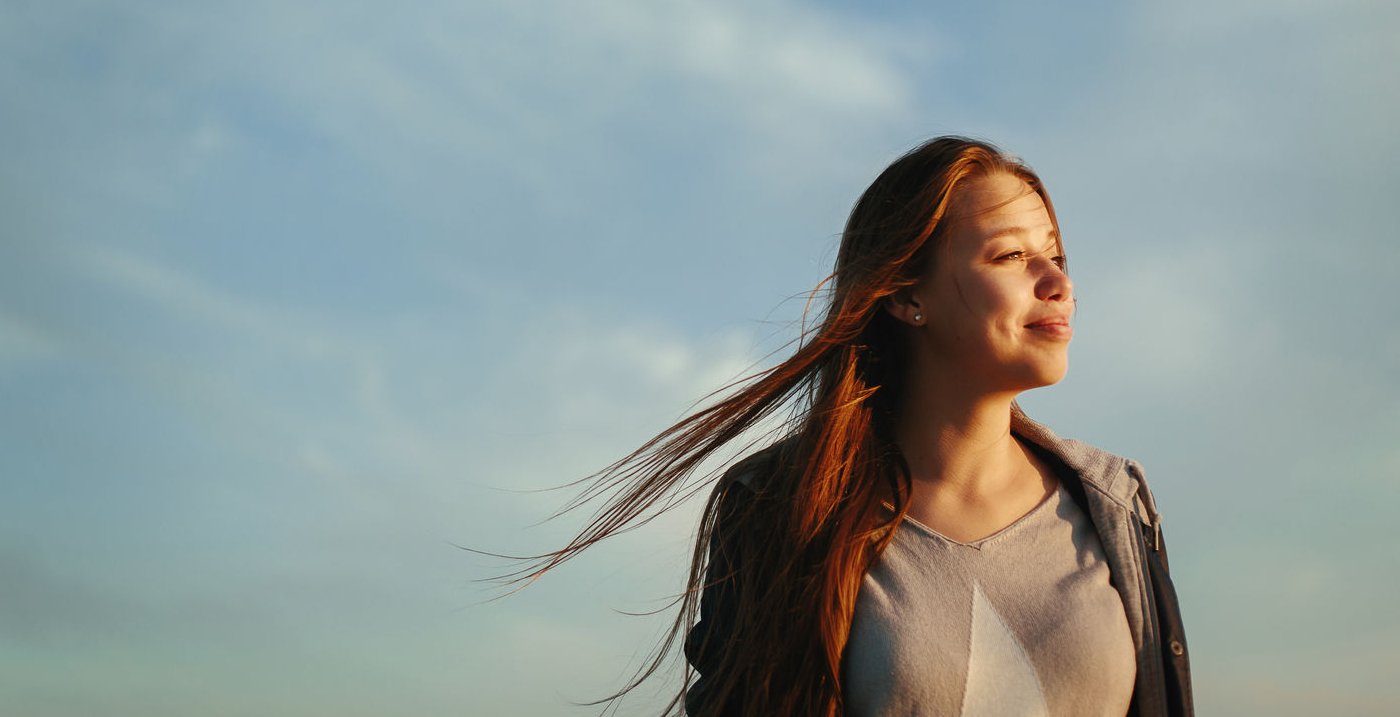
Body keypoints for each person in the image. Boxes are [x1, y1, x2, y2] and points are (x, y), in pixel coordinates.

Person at [516, 137, 1192, 716]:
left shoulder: (1115, 503)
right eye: (1010, 256)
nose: (1057, 283)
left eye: (1058, 257)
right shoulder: (783, 506)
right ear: (906, 293)